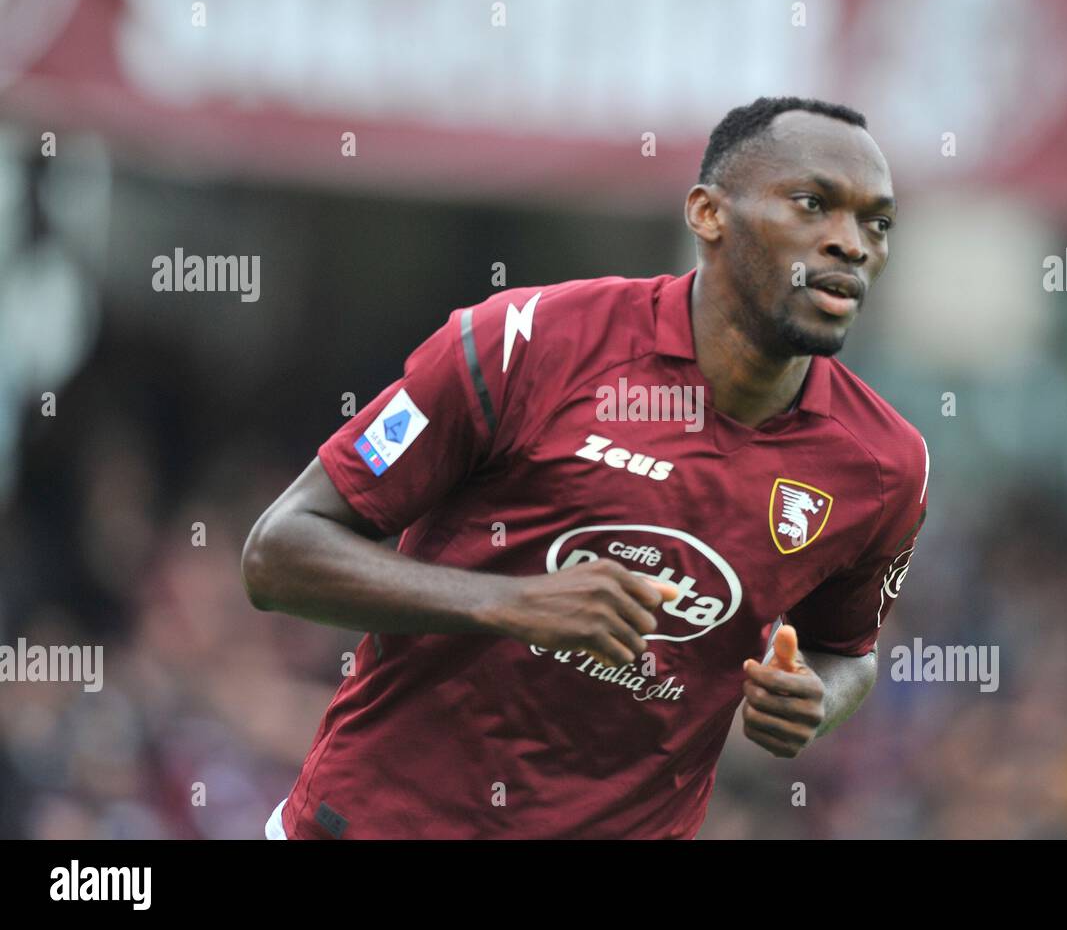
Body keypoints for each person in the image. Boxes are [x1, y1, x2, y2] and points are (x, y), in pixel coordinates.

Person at [242, 95, 929, 839]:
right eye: (813, 204)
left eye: (876, 222)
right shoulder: (524, 344)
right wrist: (510, 603)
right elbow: (279, 553)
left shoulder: (885, 467)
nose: (851, 243)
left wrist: (815, 700)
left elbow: (847, 652)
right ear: (707, 214)